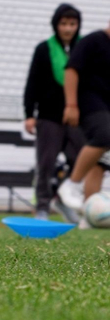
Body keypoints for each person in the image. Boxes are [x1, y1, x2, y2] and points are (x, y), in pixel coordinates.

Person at [24, 4, 84, 222]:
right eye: (64, 24)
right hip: (49, 117)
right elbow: (33, 82)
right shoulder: (44, 49)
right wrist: (29, 113)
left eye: (72, 24)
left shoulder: (84, 48)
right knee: (46, 164)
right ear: (56, 25)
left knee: (79, 161)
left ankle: (62, 198)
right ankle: (42, 207)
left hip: (78, 118)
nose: (68, 28)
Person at [56, 18, 110, 215]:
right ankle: (71, 185)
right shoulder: (93, 41)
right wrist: (71, 104)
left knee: (101, 162)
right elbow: (71, 70)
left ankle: (88, 215)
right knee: (104, 135)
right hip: (88, 101)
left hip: (107, 105)